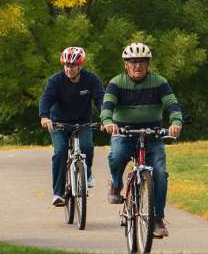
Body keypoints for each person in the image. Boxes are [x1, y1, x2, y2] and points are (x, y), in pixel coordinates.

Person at [102, 41, 183, 239]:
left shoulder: (159, 82)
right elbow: (107, 106)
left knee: (160, 173)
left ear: (148, 64)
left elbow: (172, 104)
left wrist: (176, 122)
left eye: (142, 62)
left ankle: (157, 219)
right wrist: (107, 121)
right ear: (125, 64)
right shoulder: (117, 82)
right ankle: (115, 184)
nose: (137, 65)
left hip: (152, 135)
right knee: (117, 155)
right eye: (133, 61)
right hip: (124, 133)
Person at [39, 46, 105, 208]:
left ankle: (87, 174)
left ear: (80, 66)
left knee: (87, 146)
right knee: (60, 152)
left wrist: (106, 117)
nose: (69, 69)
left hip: (83, 122)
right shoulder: (55, 81)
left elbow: (101, 100)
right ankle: (58, 193)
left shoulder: (91, 80)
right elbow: (46, 99)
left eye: (72, 66)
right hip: (60, 123)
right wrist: (44, 116)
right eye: (66, 65)